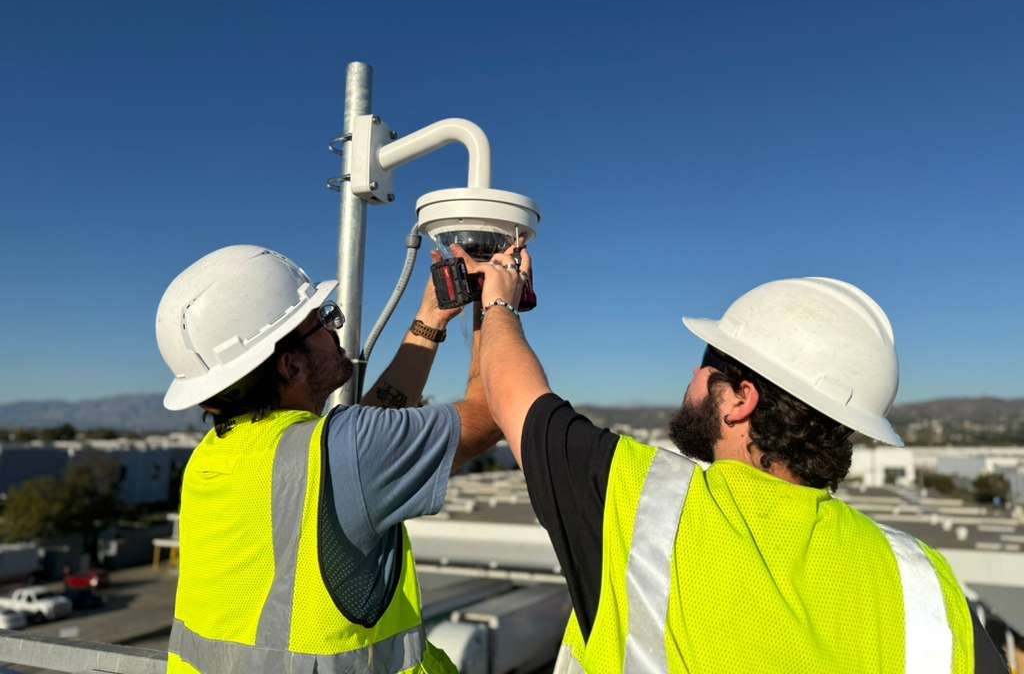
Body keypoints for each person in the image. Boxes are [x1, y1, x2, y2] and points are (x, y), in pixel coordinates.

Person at [459, 248, 1005, 674]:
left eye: (706, 363)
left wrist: (499, 301)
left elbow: (515, 399)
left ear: (742, 398)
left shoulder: (641, 502)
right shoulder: (925, 581)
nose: (692, 378)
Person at [155, 244, 502, 673]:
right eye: (321, 321)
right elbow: (492, 413)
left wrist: (430, 320)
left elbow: (364, 439)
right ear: (290, 367)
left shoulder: (211, 459)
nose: (334, 330)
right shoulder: (338, 451)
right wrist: (496, 304)